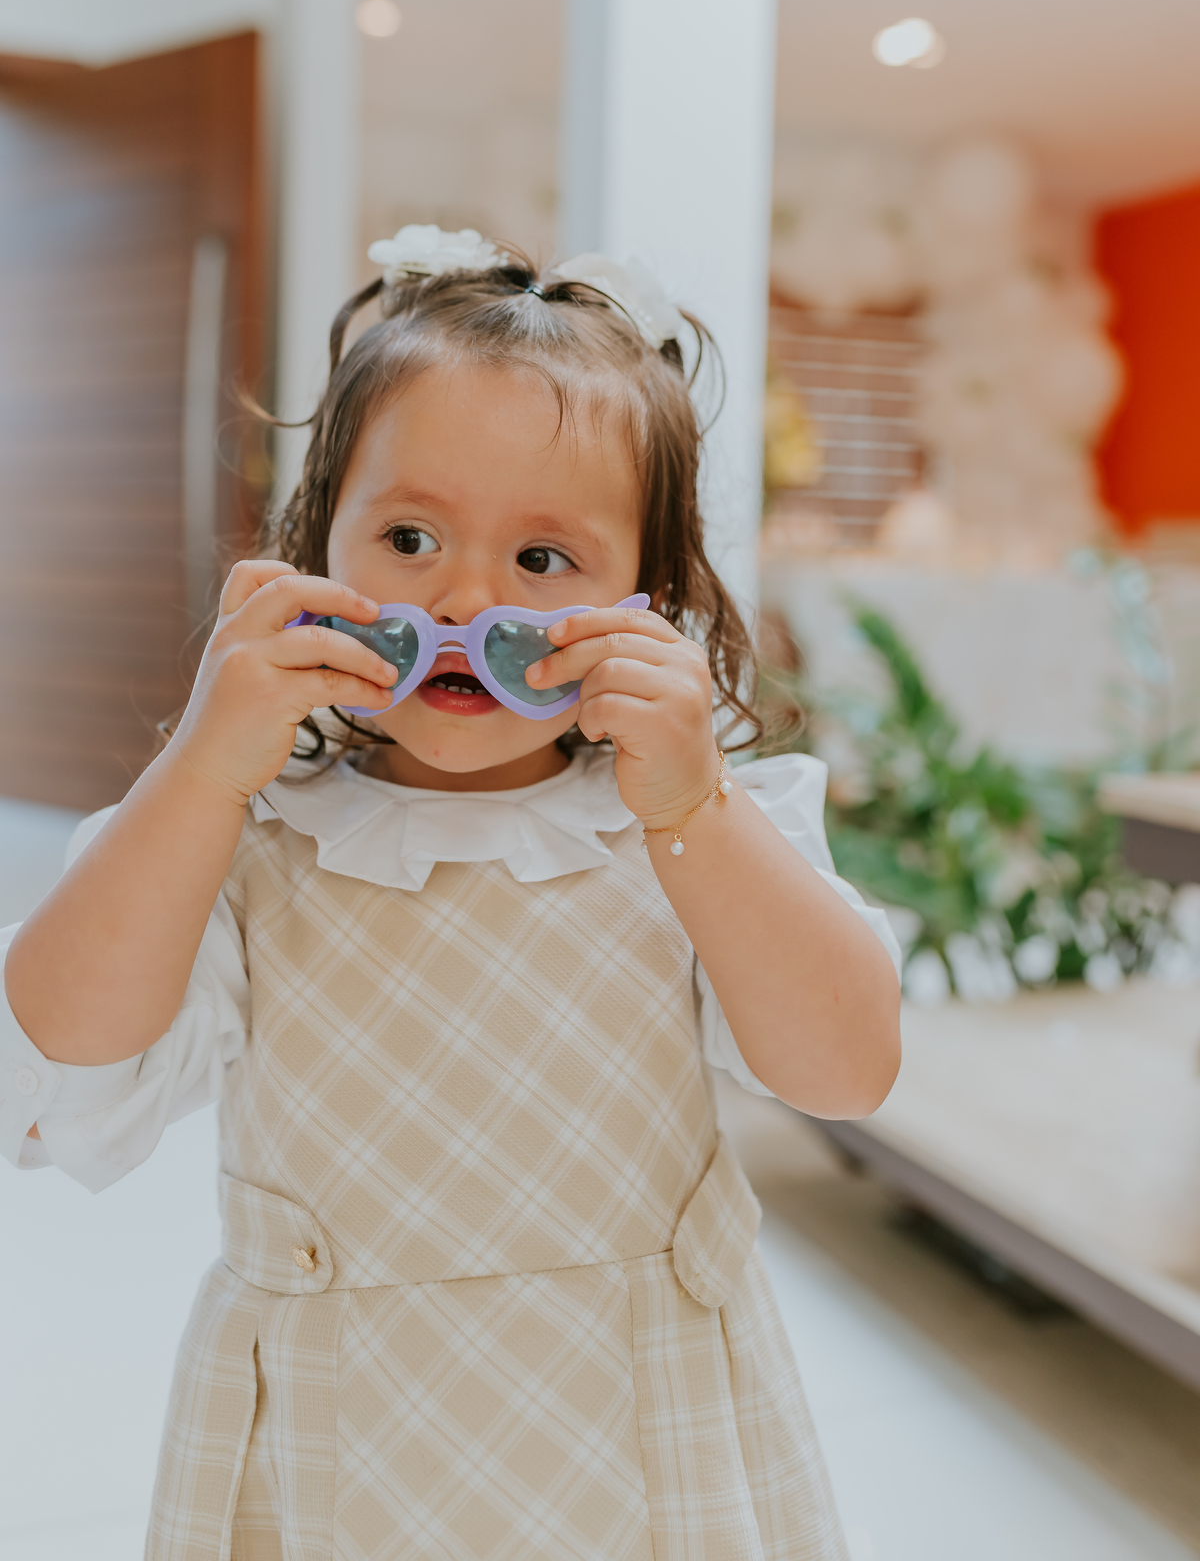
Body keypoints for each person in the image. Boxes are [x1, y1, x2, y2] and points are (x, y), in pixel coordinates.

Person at [1, 227, 901, 1560]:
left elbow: (847, 1070)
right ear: (317, 549)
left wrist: (695, 809)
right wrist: (195, 774)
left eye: (543, 561)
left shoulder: (701, 825)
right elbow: (65, 1036)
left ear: (644, 606)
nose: (467, 599)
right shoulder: (245, 835)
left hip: (642, 1433)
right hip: (330, 1445)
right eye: (409, 537)